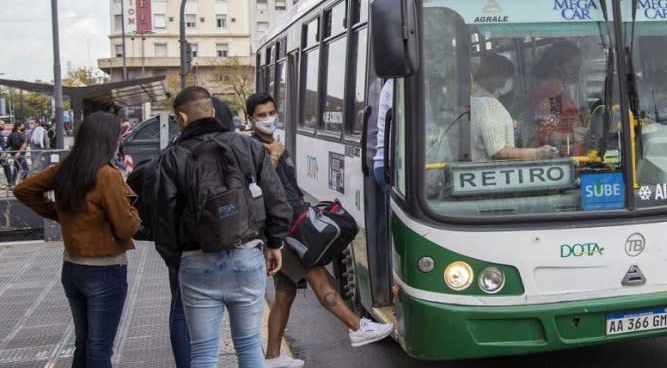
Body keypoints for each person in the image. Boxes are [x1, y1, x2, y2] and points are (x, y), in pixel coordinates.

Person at [246, 93, 393, 368]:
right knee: (319, 278)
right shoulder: (253, 148)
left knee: (285, 294)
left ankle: (273, 356)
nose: (268, 119)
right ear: (250, 119)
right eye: (261, 115)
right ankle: (356, 326)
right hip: (283, 231)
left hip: (292, 224)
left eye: (271, 112)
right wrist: (274, 158)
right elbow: (255, 187)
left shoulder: (278, 145)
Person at [154, 86, 291, 368]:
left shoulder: (172, 157)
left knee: (203, 353)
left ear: (181, 118)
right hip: (246, 256)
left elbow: (163, 219)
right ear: (213, 111)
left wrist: (176, 259)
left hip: (196, 262)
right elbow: (277, 200)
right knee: (249, 345)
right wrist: (275, 244)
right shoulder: (249, 147)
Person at [14, 111, 141, 367]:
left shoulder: (67, 167)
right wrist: (136, 212)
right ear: (108, 140)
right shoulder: (107, 175)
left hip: (72, 268)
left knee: (84, 343)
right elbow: (126, 227)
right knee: (100, 349)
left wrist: (63, 215)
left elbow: (23, 189)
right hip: (105, 269)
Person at [473, 55, 557, 162]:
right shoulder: (489, 104)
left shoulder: (473, 100)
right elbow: (498, 151)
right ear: (497, 77)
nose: (510, 81)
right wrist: (538, 152)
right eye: (509, 76)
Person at [529, 42, 587, 156]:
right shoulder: (552, 93)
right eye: (572, 68)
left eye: (578, 68)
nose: (576, 72)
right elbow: (545, 134)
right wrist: (571, 136)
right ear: (557, 66)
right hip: (558, 157)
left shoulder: (561, 89)